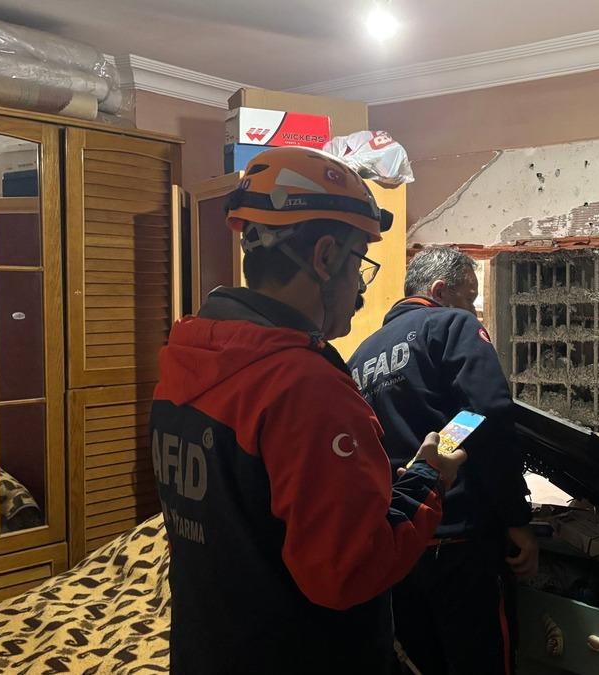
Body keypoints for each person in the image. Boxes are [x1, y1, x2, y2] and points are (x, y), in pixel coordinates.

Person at [149, 147, 466, 675]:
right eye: (359, 262)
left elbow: (250, 515)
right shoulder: (304, 388)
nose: (360, 288)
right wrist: (430, 477)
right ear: (324, 257)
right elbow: (351, 570)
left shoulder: (186, 361)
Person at [349, 246, 538, 675]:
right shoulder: (452, 325)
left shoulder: (360, 356)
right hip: (460, 541)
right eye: (469, 297)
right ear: (439, 291)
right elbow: (483, 412)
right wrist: (515, 517)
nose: (472, 309)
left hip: (398, 545)